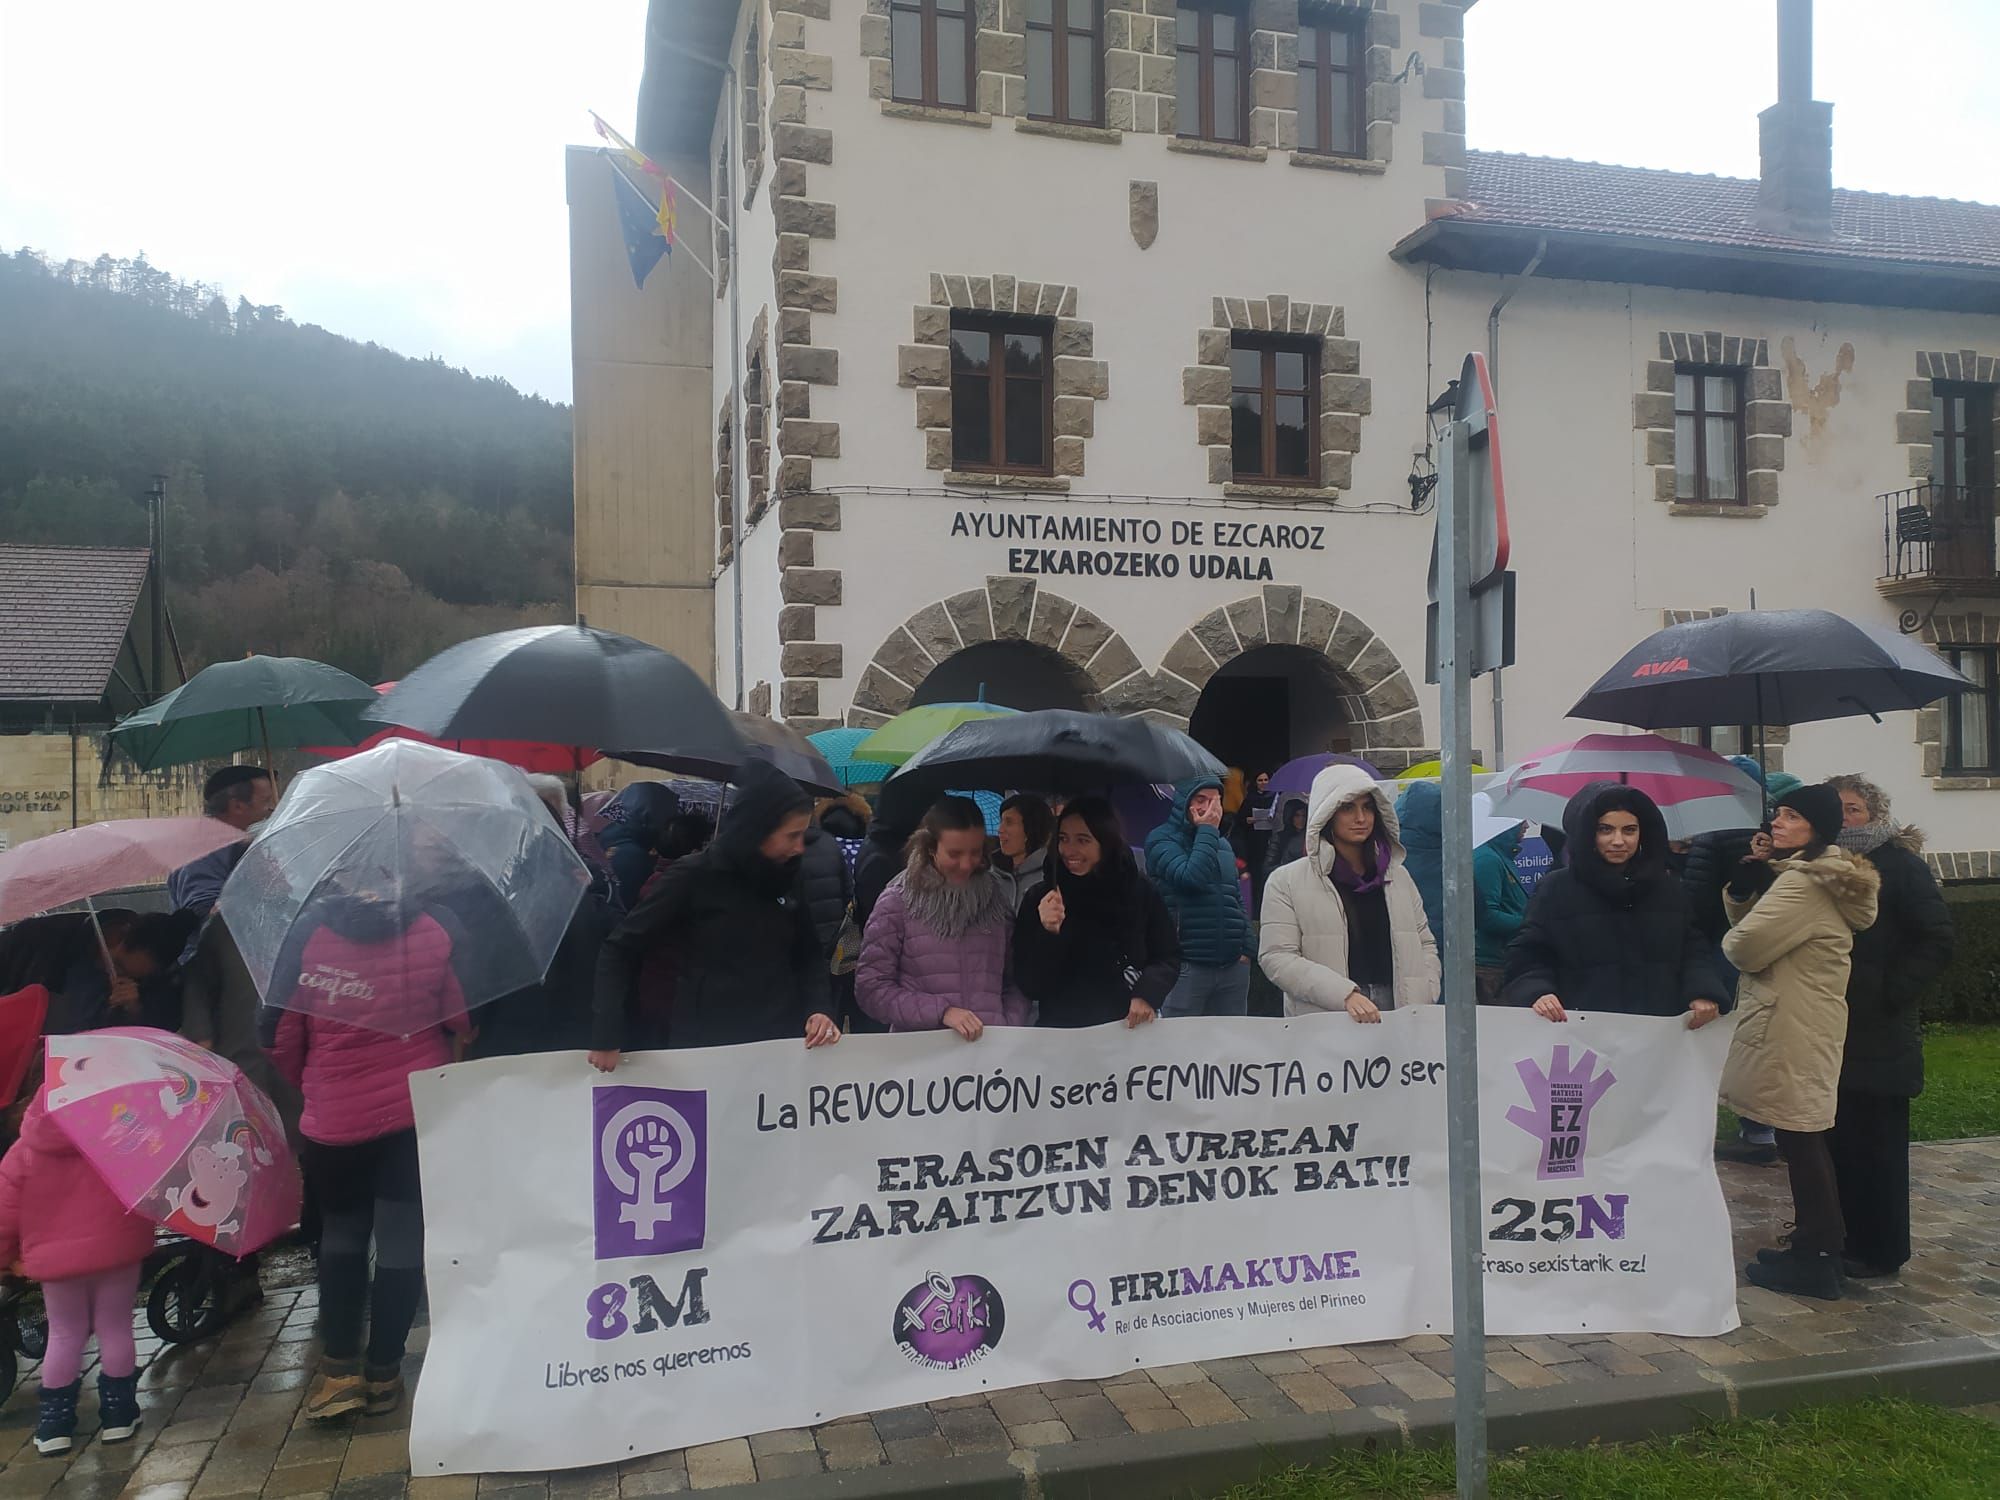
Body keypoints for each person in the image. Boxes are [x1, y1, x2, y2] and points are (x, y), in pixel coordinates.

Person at [268, 884, 471, 1419]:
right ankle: (384, 1374)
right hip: (414, 1110)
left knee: (342, 1234)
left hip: (334, 1121)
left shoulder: (306, 933)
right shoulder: (435, 925)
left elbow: (279, 1034)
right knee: (403, 1240)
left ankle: (338, 1373)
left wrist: (316, 1083)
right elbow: (463, 1020)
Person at [1722, 783, 1881, 1300]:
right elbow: (1763, 932)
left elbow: (1743, 947)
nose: (1777, 824)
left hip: (1790, 1021)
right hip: (1807, 1018)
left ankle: (1817, 1256)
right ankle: (1817, 1246)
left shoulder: (1803, 886)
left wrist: (1760, 897)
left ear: (1818, 829)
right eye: (1778, 814)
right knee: (1800, 1134)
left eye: (1791, 816)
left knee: (1801, 1136)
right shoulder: (1815, 876)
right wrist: (1750, 883)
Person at [590, 760, 842, 1065]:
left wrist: (819, 1009)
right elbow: (620, 948)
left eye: (803, 834)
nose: (800, 847)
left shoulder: (788, 876)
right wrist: (607, 1033)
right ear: (757, 831)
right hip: (706, 1048)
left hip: (779, 1045)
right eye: (791, 836)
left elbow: (809, 954)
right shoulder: (693, 875)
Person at [1824, 774, 1954, 1279]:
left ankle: (1879, 1248)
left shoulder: (1901, 866)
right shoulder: (1822, 867)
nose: (1844, 818)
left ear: (1875, 815)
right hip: (1831, 1024)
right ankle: (1839, 1235)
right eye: (1835, 809)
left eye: (1853, 809)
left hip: (1880, 1031)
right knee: (1837, 1141)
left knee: (1876, 1146)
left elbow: (1936, 939)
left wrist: (1889, 993)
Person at [0, 1079, 155, 1455]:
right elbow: (147, 1185)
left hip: (56, 1261)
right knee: (115, 1327)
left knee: (65, 1334)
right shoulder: (118, 1140)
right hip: (117, 1250)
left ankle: (55, 1423)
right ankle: (119, 1415)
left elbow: (5, 1213)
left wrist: (5, 1259)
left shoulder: (23, 1152)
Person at [1501, 783, 1726, 1025]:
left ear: (1643, 833)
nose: (1618, 841)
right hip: (1581, 1031)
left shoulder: (1668, 888)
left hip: (1658, 1032)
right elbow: (1529, 953)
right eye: (1605, 830)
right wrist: (1537, 990)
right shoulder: (1555, 888)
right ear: (1588, 833)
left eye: (1629, 830)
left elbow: (1693, 949)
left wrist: (1702, 990)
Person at [1686, 760, 1800, 1165]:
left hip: (1724, 944)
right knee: (1764, 1037)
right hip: (1780, 946)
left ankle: (1749, 1130)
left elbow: (1697, 899)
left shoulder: (1715, 831)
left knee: (1724, 1039)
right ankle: (1772, 1127)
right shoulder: (1785, 835)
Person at [1260, 764, 1439, 1021]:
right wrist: (1343, 994)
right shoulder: (1286, 881)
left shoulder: (1398, 876)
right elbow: (1277, 957)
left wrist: (1426, 990)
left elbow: (1425, 942)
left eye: (1367, 807)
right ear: (1327, 813)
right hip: (1327, 1017)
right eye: (1347, 807)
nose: (1361, 818)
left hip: (1400, 1015)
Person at [857, 797, 1029, 1036]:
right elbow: (871, 988)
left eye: (975, 852)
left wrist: (1007, 1024)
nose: (966, 864)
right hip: (923, 1059)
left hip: (991, 1058)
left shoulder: (996, 901)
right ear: (930, 848)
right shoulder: (897, 902)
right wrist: (941, 1012)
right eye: (954, 854)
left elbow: (1014, 981)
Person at [1012, 797, 1179, 1029]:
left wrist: (1147, 994)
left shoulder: (1138, 890)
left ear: (1106, 842)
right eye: (1063, 839)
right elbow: (1029, 984)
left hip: (1126, 1032)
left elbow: (1167, 955)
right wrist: (1048, 933)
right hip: (1060, 1036)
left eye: (1083, 840)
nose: (1070, 850)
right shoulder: (1041, 898)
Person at [1145, 776, 1254, 1018]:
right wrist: (1206, 831)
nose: (1209, 808)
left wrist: (1246, 948)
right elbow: (1191, 879)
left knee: (1231, 1047)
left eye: (1216, 801)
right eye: (1200, 800)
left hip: (1232, 965)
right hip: (1187, 965)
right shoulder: (1162, 839)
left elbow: (1234, 896)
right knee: (1182, 1047)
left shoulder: (1222, 844)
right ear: (1184, 802)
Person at [41, 911, 193, 1035]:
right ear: (118, 935)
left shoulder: (164, 989)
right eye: (117, 964)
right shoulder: (62, 942)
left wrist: (135, 1012)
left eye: (132, 976)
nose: (115, 974)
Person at [167, 765, 275, 916]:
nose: (271, 808)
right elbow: (205, 912)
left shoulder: (239, 842)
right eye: (266, 801)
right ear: (237, 806)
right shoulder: (204, 847)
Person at [597, 782, 682, 913]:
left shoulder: (608, 834)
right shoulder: (636, 859)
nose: (666, 831)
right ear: (652, 818)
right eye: (666, 823)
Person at [1473, 820, 1530, 1004]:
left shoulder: (1499, 857)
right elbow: (1487, 917)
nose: (1527, 826)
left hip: (1502, 961)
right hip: (1490, 968)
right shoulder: (1487, 859)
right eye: (1521, 822)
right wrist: (1531, 924)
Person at [1394, 780, 1445, 936]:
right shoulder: (1452, 858)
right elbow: (1478, 906)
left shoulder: (1384, 855)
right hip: (1446, 945)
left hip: (1398, 946)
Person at [993, 794, 1054, 916]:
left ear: (1031, 828)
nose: (1000, 829)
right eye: (1001, 821)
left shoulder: (1052, 877)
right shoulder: (990, 875)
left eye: (1009, 822)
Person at [1263, 799, 1310, 883]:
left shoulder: (1310, 836)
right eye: (1297, 816)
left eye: (1304, 816)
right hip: (1286, 881)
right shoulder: (1279, 838)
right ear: (1290, 816)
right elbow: (1268, 868)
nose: (1301, 819)